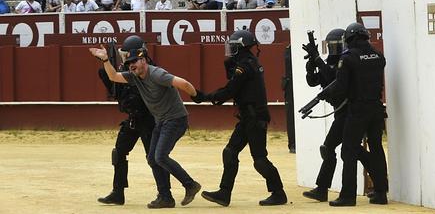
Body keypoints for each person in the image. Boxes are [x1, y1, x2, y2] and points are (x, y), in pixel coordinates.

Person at [89, 36, 205, 209]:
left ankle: (184, 187)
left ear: (143, 58)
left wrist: (197, 96)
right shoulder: (134, 75)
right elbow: (113, 76)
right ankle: (156, 196)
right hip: (154, 121)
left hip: (169, 120)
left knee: (160, 157)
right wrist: (105, 59)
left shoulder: (156, 73)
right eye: (128, 61)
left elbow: (184, 83)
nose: (130, 64)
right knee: (151, 158)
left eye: (134, 60)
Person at [195, 31, 287, 207]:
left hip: (254, 118)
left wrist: (204, 97)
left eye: (234, 46)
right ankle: (224, 193)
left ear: (241, 47)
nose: (231, 49)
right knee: (230, 152)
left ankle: (278, 193)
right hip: (249, 117)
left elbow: (230, 90)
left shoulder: (244, 66)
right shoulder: (248, 62)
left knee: (259, 159)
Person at [315, 23, 388, 207]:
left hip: (358, 111)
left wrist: (326, 94)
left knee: (348, 151)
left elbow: (340, 87)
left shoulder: (347, 58)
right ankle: (381, 192)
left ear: (350, 39)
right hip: (376, 109)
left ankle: (348, 195)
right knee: (377, 149)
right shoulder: (379, 56)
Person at [301, 28, 373, 203]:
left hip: (348, 112)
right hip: (341, 113)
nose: (333, 50)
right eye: (330, 46)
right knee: (353, 149)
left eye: (336, 46)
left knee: (331, 147)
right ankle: (378, 180)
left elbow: (333, 77)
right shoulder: (331, 61)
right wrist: (311, 67)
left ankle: (322, 189)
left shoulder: (346, 60)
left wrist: (317, 60)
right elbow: (315, 81)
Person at [97, 36, 156, 206]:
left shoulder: (148, 70)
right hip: (133, 119)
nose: (125, 59)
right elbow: (117, 93)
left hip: (148, 120)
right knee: (119, 152)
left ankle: (165, 193)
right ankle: (118, 193)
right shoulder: (126, 71)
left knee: (154, 158)